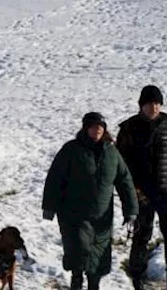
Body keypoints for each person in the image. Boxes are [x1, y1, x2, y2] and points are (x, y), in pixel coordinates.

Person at [44, 112, 138, 290]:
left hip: (102, 216)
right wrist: (49, 206)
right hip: (74, 214)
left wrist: (131, 210)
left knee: (98, 256)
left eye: (101, 127)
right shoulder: (71, 150)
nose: (98, 130)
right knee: (79, 250)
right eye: (94, 127)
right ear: (86, 128)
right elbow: (55, 178)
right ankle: (77, 281)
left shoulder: (111, 152)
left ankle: (94, 286)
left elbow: (124, 180)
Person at [116, 86, 167, 290]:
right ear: (141, 105)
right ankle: (137, 275)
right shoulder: (128, 128)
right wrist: (130, 194)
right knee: (142, 233)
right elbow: (121, 165)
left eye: (157, 103)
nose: (154, 107)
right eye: (150, 103)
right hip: (140, 192)